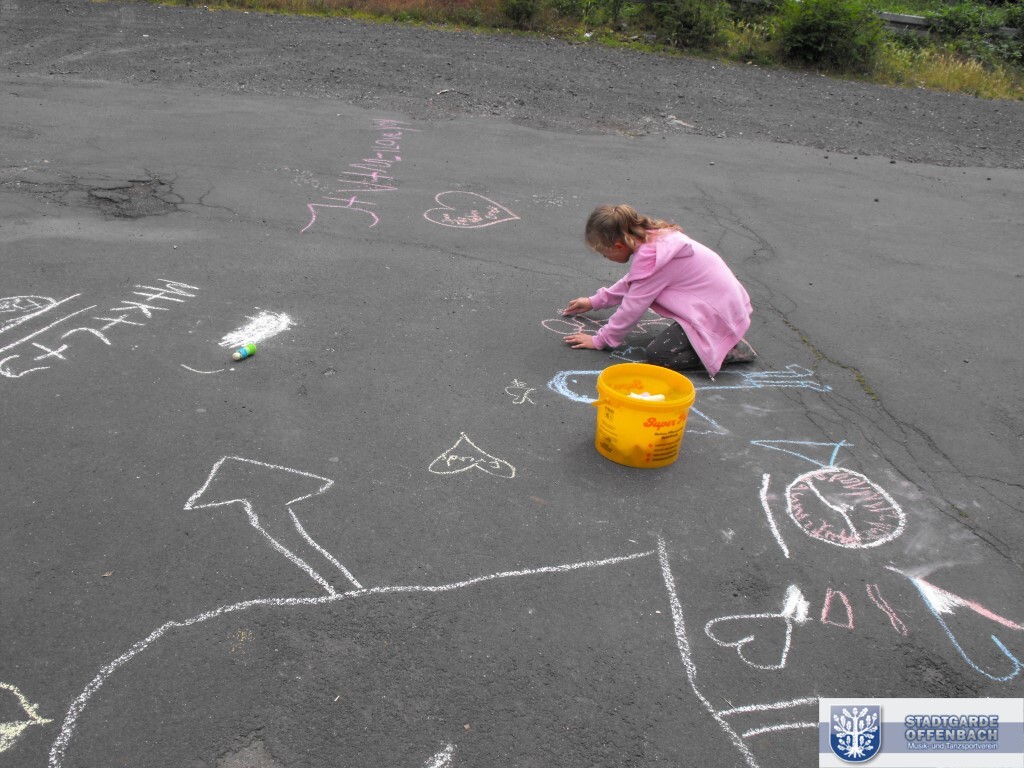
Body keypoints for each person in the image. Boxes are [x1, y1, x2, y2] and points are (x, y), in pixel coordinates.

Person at [562, 204, 756, 378]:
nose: (605, 257)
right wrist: (596, 301)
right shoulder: (654, 241)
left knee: (659, 355)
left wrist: (602, 340)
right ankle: (723, 337)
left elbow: (632, 308)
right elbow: (635, 282)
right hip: (724, 303)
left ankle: (726, 350)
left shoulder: (654, 260)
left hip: (717, 313)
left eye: (605, 254)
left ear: (618, 246)